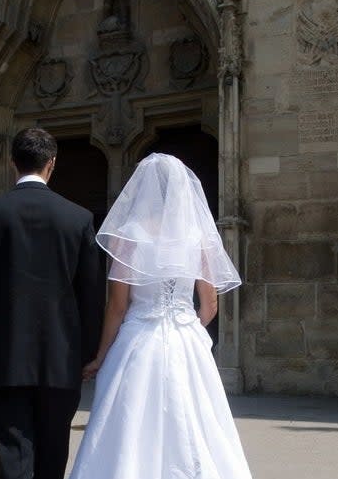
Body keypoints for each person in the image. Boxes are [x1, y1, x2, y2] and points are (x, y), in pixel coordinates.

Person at [70, 153, 252, 479]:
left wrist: (99, 356)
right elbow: (210, 305)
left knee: (130, 420)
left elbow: (117, 306)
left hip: (139, 338)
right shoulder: (196, 237)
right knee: (196, 419)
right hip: (186, 338)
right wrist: (186, 324)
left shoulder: (130, 236)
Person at [0, 128, 104, 479]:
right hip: (61, 357)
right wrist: (88, 354)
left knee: (14, 453)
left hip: (3, 356)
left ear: (13, 162)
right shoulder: (78, 219)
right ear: (51, 163)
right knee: (53, 452)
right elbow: (91, 292)